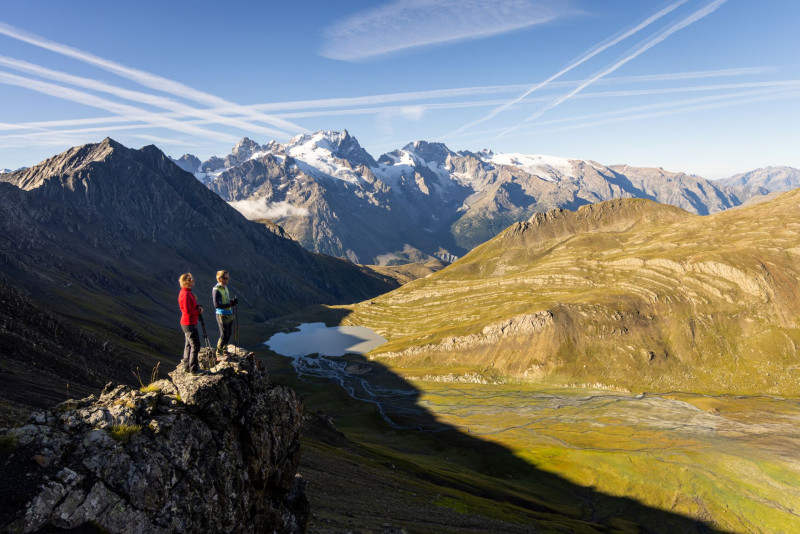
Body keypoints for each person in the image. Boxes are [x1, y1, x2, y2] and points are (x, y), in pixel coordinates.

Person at [178, 273, 204, 374]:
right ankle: (194, 369)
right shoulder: (185, 294)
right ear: (185, 282)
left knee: (188, 344)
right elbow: (188, 311)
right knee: (195, 345)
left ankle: (186, 366)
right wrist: (198, 312)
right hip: (189, 323)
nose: (193, 280)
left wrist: (198, 306)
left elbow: (190, 306)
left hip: (188, 322)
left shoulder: (187, 293)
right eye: (191, 279)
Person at [212, 270, 238, 360]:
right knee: (223, 334)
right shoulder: (216, 290)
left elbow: (225, 301)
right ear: (220, 279)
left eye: (228, 278)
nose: (228, 280)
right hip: (221, 315)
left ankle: (224, 350)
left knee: (228, 333)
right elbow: (217, 305)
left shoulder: (225, 287)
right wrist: (230, 304)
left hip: (228, 313)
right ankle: (218, 354)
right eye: (226, 278)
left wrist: (231, 302)